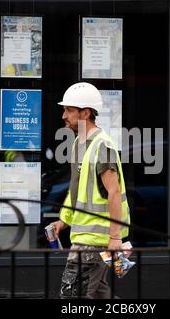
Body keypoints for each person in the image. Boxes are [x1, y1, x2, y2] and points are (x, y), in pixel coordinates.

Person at [51, 82, 130, 299]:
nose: (63, 115)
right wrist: (64, 220)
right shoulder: (79, 142)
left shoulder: (103, 146)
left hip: (95, 240)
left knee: (72, 296)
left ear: (85, 112)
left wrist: (115, 238)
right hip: (85, 236)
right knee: (97, 294)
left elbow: (114, 192)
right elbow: (78, 189)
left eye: (69, 110)